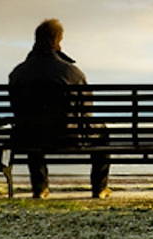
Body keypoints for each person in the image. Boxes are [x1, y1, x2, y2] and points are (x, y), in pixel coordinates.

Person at [9, 18, 110, 199]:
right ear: (59, 40)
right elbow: (87, 112)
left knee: (31, 127)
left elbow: (16, 110)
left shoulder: (19, 73)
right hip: (68, 135)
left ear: (36, 39)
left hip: (30, 136)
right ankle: (99, 188)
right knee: (102, 132)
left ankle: (40, 188)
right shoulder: (72, 73)